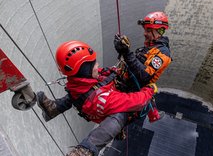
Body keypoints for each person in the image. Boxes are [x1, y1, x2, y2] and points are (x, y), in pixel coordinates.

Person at [31, 40, 157, 156]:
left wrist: (110, 72)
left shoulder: (76, 81)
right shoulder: (103, 99)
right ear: (84, 69)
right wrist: (149, 90)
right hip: (109, 109)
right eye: (94, 64)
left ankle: (54, 108)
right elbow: (136, 101)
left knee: (73, 94)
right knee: (120, 116)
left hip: (89, 97)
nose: (98, 65)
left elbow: (95, 78)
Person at [36, 11, 171, 123]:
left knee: (91, 92)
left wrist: (126, 52)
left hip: (130, 87)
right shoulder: (149, 48)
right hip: (123, 79)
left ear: (159, 31)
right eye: (145, 30)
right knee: (85, 84)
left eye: (148, 30)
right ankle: (55, 108)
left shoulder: (162, 54)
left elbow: (144, 76)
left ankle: (57, 110)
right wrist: (120, 54)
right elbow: (133, 65)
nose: (145, 33)